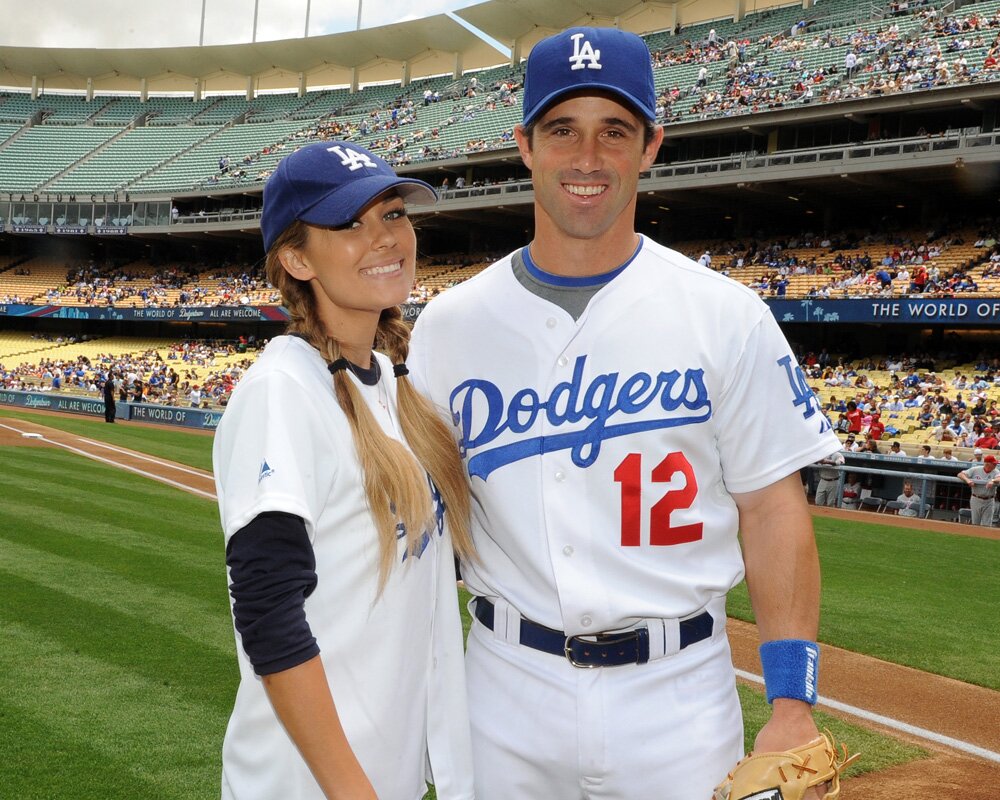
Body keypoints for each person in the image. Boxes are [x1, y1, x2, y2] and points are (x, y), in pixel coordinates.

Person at [408, 26, 841, 800]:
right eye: (562, 130)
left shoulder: (724, 314)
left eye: (615, 131)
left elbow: (773, 510)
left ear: (650, 146)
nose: (587, 158)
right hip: (504, 688)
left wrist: (791, 702)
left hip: (679, 697)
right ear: (525, 146)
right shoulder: (449, 326)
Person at [212, 141, 476, 800]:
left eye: (392, 214)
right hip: (311, 786)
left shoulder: (389, 382)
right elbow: (269, 610)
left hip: (382, 774)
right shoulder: (283, 390)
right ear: (296, 258)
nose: (385, 238)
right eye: (350, 223)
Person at [958, 453, 999, 526]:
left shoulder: (996, 471)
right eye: (994, 463)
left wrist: (992, 481)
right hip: (976, 498)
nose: (996, 465)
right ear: (987, 464)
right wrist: (968, 480)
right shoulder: (976, 469)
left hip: (989, 500)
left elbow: (999, 477)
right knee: (975, 523)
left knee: (987, 524)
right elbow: (960, 474)